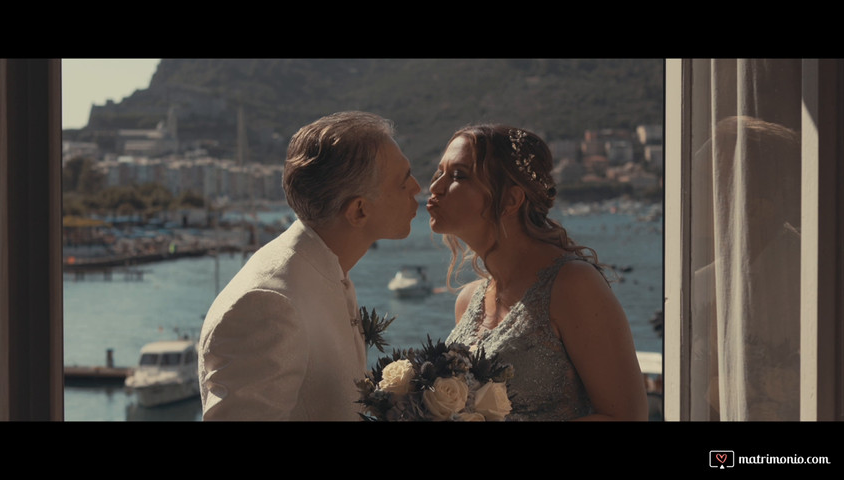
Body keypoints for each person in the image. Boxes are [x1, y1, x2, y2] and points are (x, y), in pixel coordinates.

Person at [198, 111, 421, 421]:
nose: (418, 188)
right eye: (403, 181)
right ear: (358, 211)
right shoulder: (268, 304)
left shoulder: (323, 270)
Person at [428, 124, 648, 421]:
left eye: (458, 175)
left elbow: (626, 417)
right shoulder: (468, 301)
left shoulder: (572, 286)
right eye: (439, 173)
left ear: (510, 200)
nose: (435, 187)